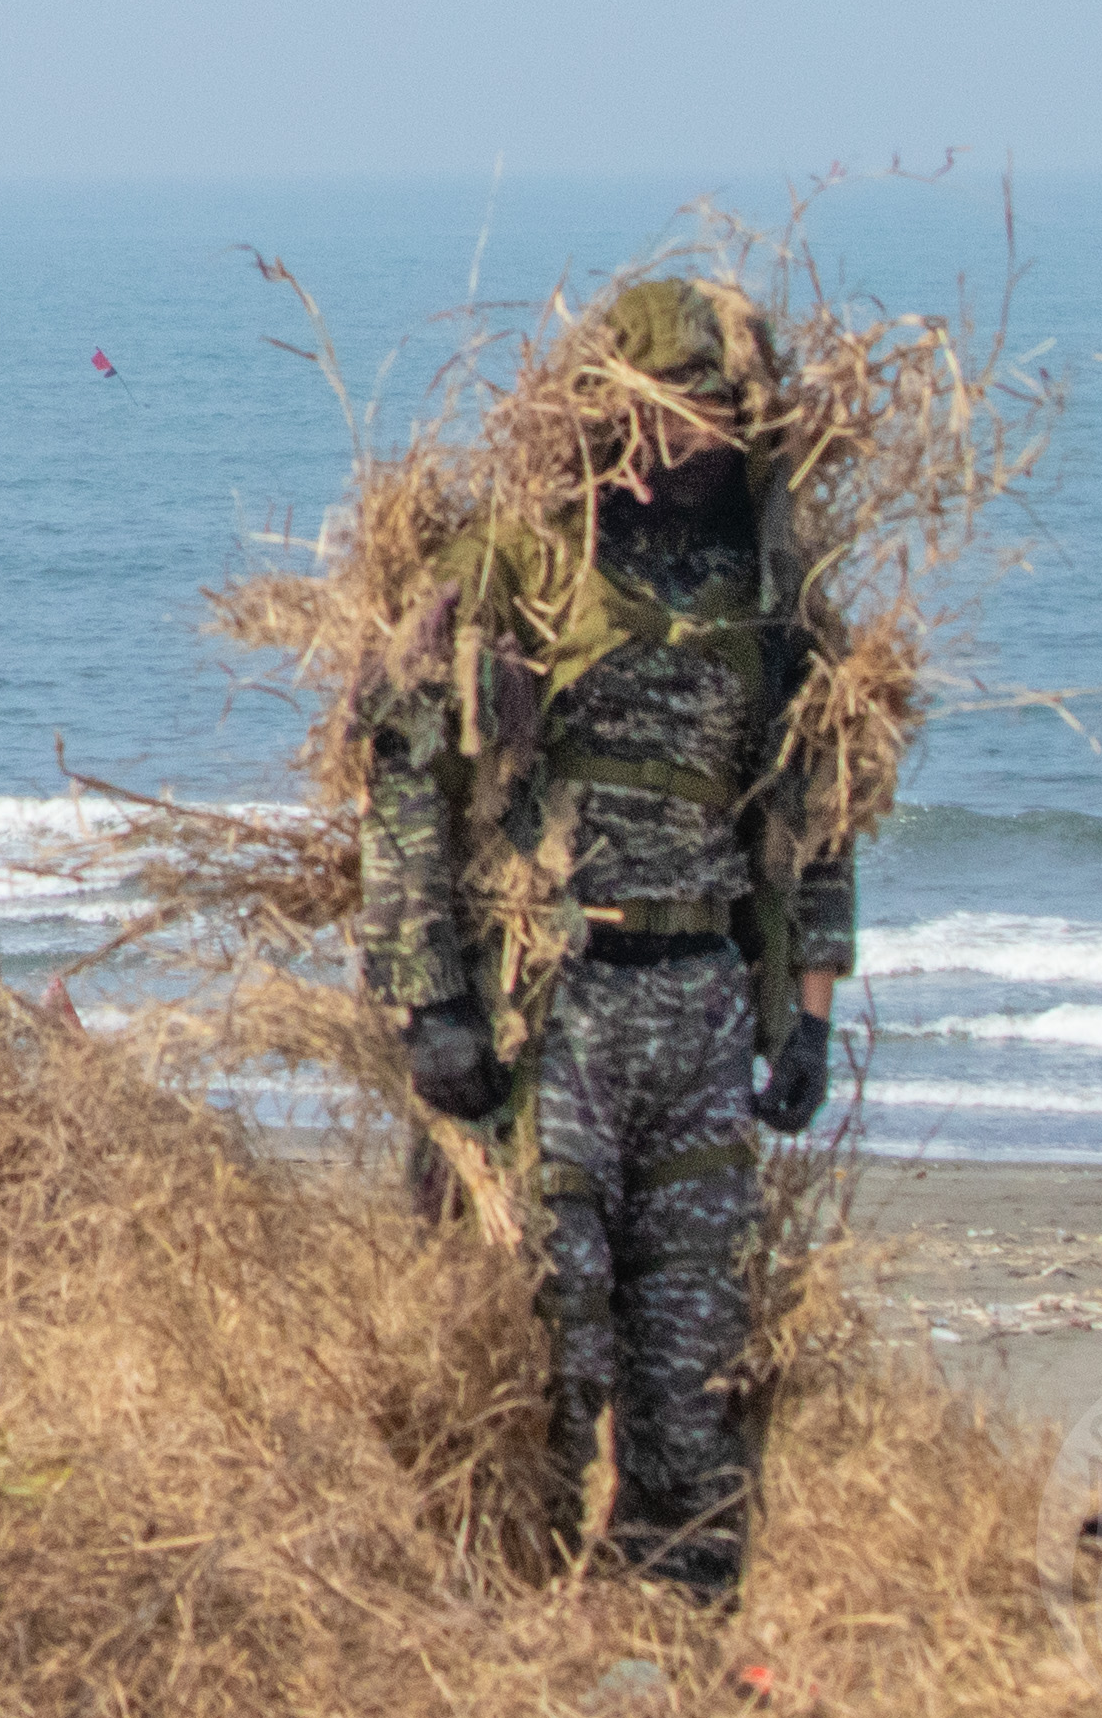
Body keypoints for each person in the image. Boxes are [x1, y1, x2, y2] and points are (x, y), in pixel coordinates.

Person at [351, 276, 857, 1601]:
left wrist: (808, 1013)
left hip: (695, 1010)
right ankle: (526, 1628)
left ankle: (685, 1643)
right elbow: (403, 765)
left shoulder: (766, 587)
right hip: (553, 1013)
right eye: (671, 407)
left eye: (717, 409)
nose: (697, 434)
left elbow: (817, 805)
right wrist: (429, 1002)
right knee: (548, 1354)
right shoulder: (515, 565)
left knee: (697, 1368)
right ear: (607, 412)